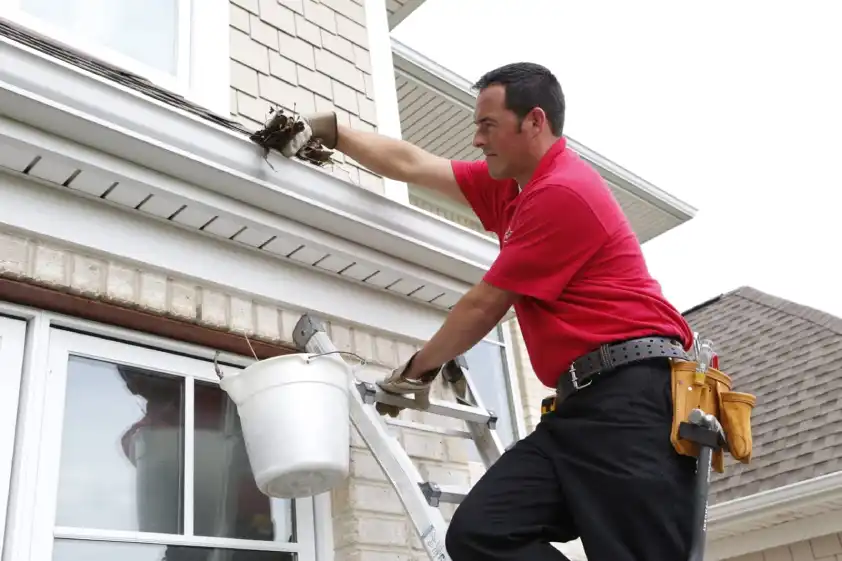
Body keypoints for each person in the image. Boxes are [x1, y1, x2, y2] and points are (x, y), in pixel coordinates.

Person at [275, 62, 697, 561]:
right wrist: (331, 131)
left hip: (633, 401)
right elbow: (412, 164)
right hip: (579, 407)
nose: (476, 139)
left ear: (534, 122)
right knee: (482, 533)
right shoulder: (510, 189)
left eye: (487, 125)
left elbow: (486, 303)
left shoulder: (562, 190)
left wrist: (416, 370)